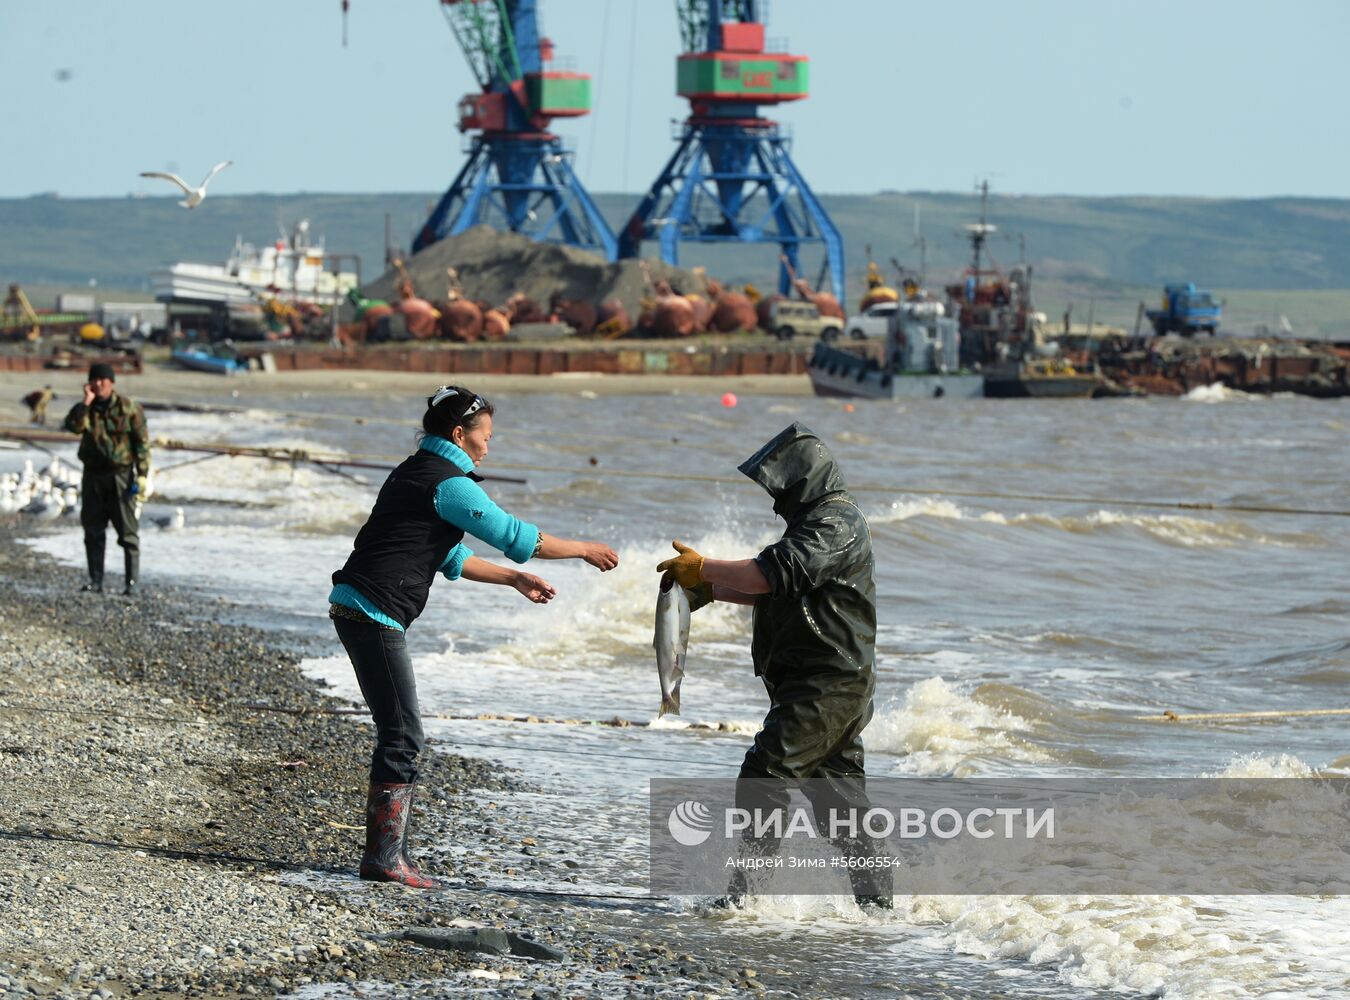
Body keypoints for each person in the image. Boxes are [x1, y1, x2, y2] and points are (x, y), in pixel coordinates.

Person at [329, 385, 619, 889]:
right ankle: (383, 859)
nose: (489, 446)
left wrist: (513, 578)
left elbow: (447, 556)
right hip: (373, 610)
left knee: (401, 730)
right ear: (459, 435)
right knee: (403, 733)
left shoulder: (414, 471)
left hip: (359, 604)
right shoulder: (449, 483)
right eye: (486, 436)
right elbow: (515, 536)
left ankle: (390, 855)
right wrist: (583, 549)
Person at [657, 422, 892, 909]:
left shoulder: (836, 523)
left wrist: (705, 569)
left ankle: (746, 897)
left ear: (803, 478)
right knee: (839, 804)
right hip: (819, 682)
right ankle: (878, 909)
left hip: (828, 682)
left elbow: (773, 572)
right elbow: (777, 588)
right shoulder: (815, 525)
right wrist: (709, 590)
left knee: (766, 772)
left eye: (779, 486)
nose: (774, 498)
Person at [62, 363, 150, 595]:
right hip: (93, 477)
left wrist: (143, 476)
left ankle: (132, 583)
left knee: (128, 533)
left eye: (103, 379)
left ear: (111, 382)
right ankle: (96, 581)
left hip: (120, 476)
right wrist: (86, 402)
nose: (99, 384)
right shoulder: (85, 408)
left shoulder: (129, 408)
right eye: (94, 380)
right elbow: (73, 427)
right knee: (93, 531)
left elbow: (141, 443)